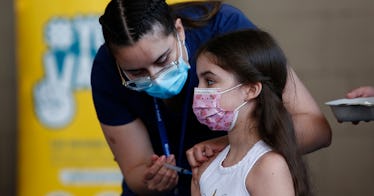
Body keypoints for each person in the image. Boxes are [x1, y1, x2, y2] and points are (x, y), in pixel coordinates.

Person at [91, 0, 330, 195]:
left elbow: (315, 128)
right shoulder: (106, 69)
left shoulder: (224, 27)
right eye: (136, 72)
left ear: (179, 30)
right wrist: (150, 179)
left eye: (162, 60)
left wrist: (230, 146)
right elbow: (135, 171)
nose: (155, 78)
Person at [189, 29, 311, 196]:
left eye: (210, 81)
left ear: (251, 90)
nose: (199, 90)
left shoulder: (268, 166)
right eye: (199, 81)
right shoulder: (207, 168)